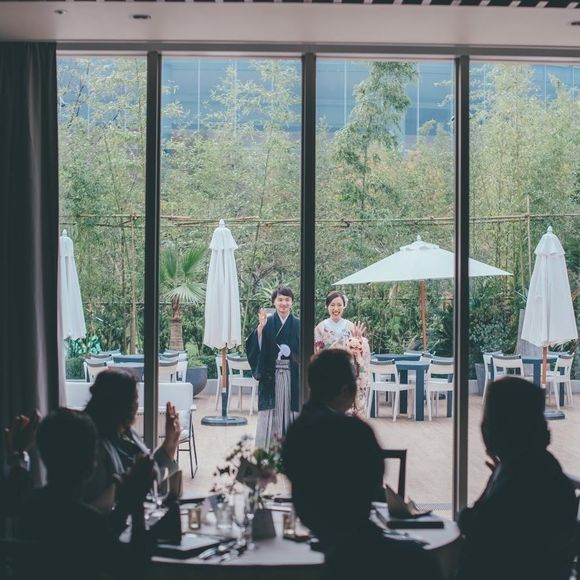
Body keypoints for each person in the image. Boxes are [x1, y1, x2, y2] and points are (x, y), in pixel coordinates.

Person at [282, 349, 442, 580]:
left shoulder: (296, 431)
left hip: (325, 536)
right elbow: (374, 484)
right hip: (358, 543)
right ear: (345, 390)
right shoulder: (354, 433)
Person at [457, 376, 578, 580]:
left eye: (487, 418)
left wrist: (492, 483)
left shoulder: (515, 482)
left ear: (500, 426)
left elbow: (472, 524)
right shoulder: (545, 469)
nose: (482, 426)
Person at [19, 408, 155, 580]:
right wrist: (136, 503)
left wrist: (124, 506)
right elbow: (134, 570)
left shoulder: (29, 508)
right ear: (91, 463)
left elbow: (104, 536)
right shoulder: (89, 523)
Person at [83, 368, 181, 509]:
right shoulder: (93, 444)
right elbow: (94, 508)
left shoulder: (127, 432)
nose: (137, 405)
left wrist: (169, 443)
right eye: (134, 400)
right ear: (118, 404)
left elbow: (149, 476)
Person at [246, 285, 300, 450]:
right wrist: (260, 328)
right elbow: (254, 346)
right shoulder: (267, 322)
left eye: (287, 300)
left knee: (291, 411)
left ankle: (291, 450)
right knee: (269, 411)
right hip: (271, 375)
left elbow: (304, 351)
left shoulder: (298, 324)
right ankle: (266, 451)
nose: (283, 303)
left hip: (292, 375)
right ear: (274, 302)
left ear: (292, 302)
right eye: (280, 300)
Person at [314, 290, 371, 415]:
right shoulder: (320, 328)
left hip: (348, 374)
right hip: (328, 375)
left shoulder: (351, 326)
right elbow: (317, 354)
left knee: (348, 410)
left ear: (344, 306)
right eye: (332, 305)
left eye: (339, 305)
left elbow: (361, 352)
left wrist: (360, 341)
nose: (336, 308)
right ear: (326, 306)